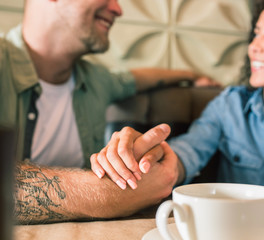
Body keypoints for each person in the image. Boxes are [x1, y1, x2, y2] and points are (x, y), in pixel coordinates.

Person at [91, 0, 264, 189]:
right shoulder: (231, 105)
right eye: (256, 34)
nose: (254, 47)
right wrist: (149, 154)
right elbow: (189, 151)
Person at [0, 0, 217, 224]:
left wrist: (191, 76)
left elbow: (137, 78)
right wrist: (106, 195)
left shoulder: (97, 81)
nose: (118, 9)